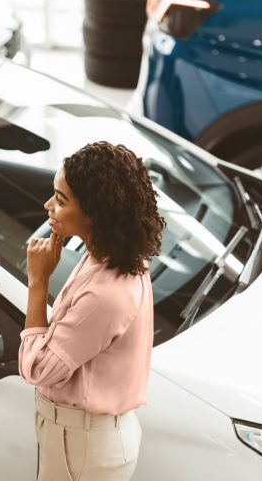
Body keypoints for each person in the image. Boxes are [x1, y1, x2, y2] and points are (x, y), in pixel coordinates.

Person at [19, 141, 165, 481]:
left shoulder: (106, 293)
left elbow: (38, 369)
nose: (48, 206)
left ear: (96, 212)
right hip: (82, 440)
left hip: (81, 449)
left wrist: (38, 282)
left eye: (61, 199)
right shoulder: (110, 253)